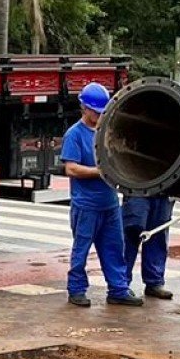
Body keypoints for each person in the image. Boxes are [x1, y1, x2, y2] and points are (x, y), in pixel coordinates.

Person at [61, 82, 141, 308]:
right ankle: (76, 289)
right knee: (81, 250)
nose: (99, 116)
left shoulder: (108, 132)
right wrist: (101, 171)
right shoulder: (74, 135)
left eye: (102, 112)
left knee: (115, 248)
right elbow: (71, 168)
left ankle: (118, 289)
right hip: (86, 205)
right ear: (84, 109)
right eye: (95, 112)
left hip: (109, 204)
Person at [121, 193, 173, 300]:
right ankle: (121, 283)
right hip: (138, 188)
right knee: (132, 231)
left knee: (158, 234)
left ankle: (154, 282)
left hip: (165, 191)